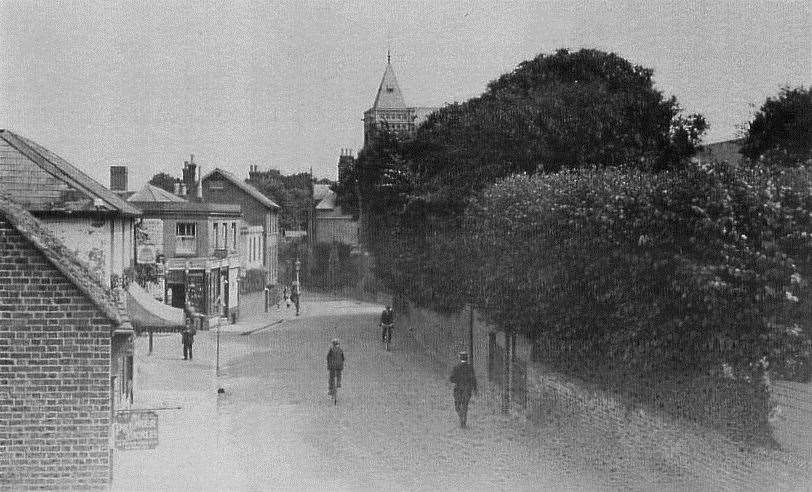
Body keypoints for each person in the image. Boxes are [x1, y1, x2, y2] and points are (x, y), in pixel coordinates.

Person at [449, 351, 477, 428]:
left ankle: (461, 418)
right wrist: (475, 389)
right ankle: (463, 420)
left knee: (457, 406)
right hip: (467, 389)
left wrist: (457, 380)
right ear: (467, 358)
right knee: (465, 405)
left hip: (458, 389)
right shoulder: (470, 368)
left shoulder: (456, 367)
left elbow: (452, 379)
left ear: (460, 357)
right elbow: (473, 379)